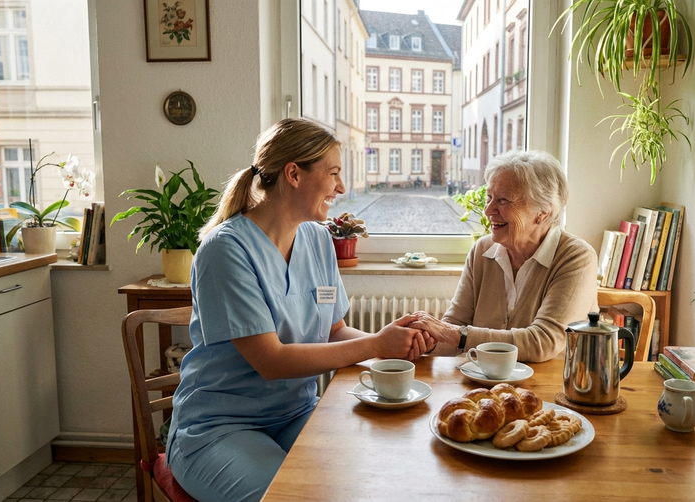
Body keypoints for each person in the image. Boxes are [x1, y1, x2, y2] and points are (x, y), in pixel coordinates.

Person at [166, 117, 432, 502]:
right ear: (293, 173)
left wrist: (399, 348)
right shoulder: (225, 250)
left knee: (373, 478)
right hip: (219, 427)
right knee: (293, 497)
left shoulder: (317, 238)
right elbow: (271, 361)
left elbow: (335, 330)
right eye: (334, 173)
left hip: (296, 415)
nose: (341, 187)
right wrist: (377, 345)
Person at [411, 150, 598, 363]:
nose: (488, 210)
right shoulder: (482, 251)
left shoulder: (576, 258)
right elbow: (454, 324)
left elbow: (543, 341)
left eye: (503, 200)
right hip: (484, 386)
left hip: (550, 388)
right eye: (489, 198)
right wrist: (423, 337)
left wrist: (452, 334)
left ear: (543, 212)